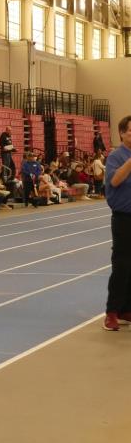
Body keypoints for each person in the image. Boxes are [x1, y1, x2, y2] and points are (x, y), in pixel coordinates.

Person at [103, 115, 131, 331]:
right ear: (122, 133)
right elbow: (115, 180)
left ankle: (125, 309)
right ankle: (112, 312)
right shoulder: (115, 156)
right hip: (123, 218)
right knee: (121, 265)